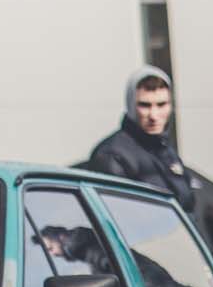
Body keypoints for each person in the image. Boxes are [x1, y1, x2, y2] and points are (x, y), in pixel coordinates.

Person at [82, 66, 195, 216]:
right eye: (145, 105)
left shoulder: (165, 150)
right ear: (131, 105)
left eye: (161, 104)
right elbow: (120, 216)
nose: (154, 115)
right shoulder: (112, 154)